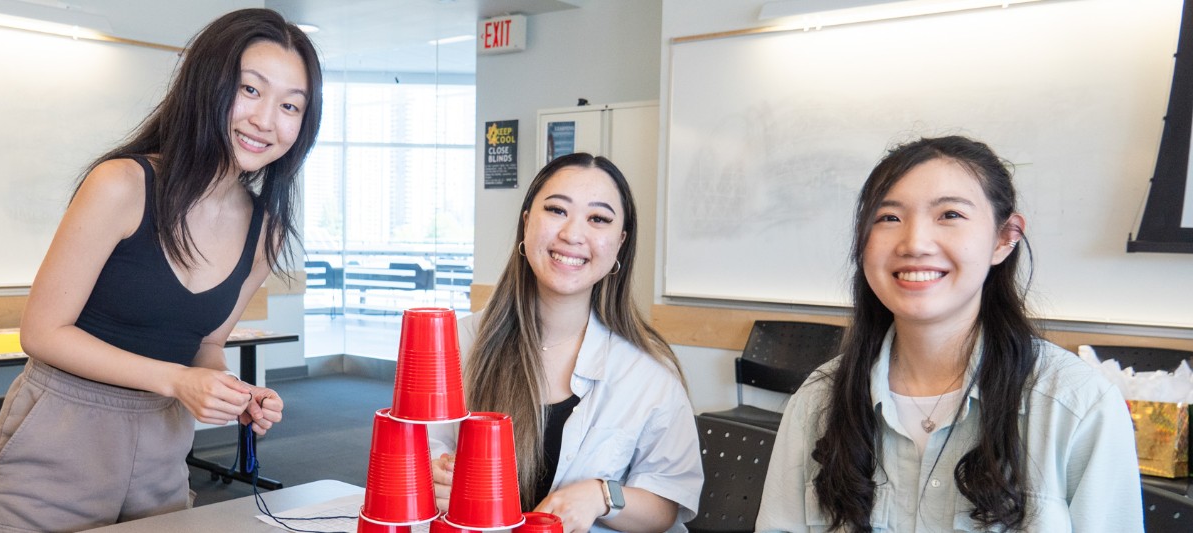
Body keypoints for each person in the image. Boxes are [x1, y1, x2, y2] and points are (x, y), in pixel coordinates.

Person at [0, 8, 321, 532]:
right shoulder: (122, 184)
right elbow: (41, 332)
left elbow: (207, 344)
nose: (267, 119)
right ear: (207, 87)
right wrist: (178, 380)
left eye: (291, 105)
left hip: (161, 448)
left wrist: (230, 391)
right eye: (250, 90)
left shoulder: (267, 230)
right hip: (60, 434)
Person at [754, 136, 1142, 532]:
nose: (915, 243)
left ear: (1005, 237)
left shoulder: (1076, 405)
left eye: (950, 215)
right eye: (889, 217)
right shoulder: (818, 401)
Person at [430, 153, 703, 533]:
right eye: (557, 210)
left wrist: (600, 496)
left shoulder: (650, 372)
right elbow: (421, 446)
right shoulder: (458, 342)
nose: (573, 234)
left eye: (598, 219)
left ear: (620, 243)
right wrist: (434, 476)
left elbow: (667, 506)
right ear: (527, 222)